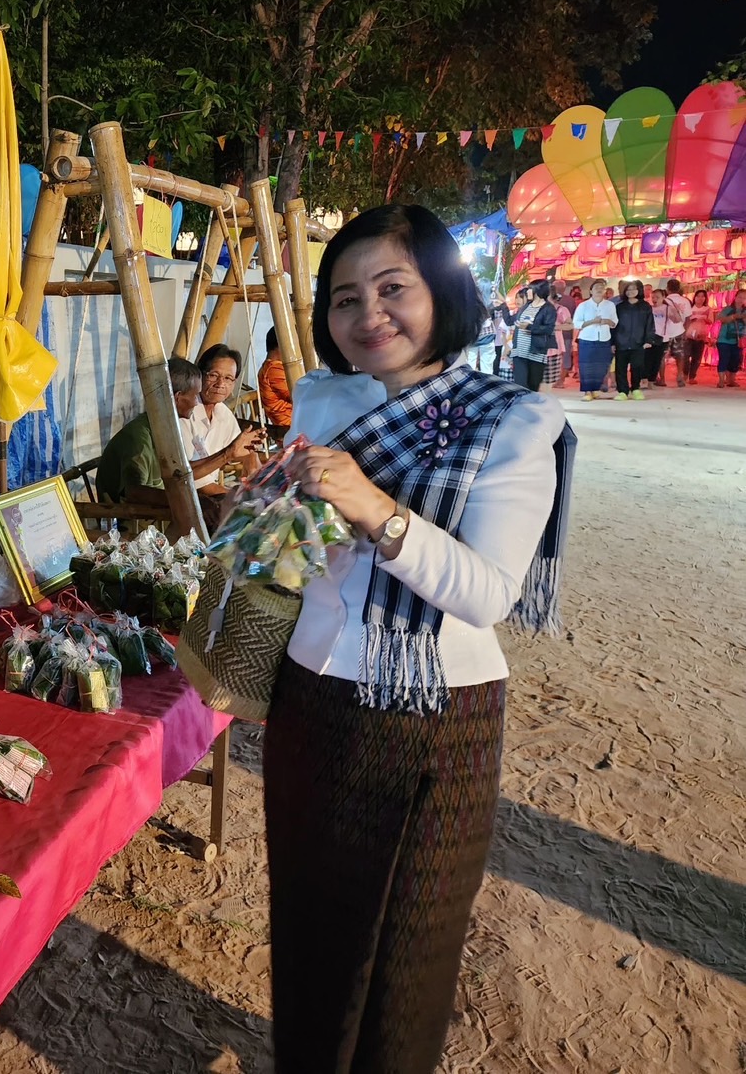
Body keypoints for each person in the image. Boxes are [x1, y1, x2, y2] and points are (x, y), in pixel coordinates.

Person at [263, 204, 574, 1073]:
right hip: (308, 697)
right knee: (311, 923)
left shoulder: (510, 423)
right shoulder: (326, 404)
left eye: (392, 288)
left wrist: (371, 507)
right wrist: (264, 518)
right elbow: (300, 556)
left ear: (442, 291)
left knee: (404, 947)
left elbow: (485, 593)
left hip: (429, 713)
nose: (368, 316)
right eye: (343, 297)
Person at [96, 357, 208, 502]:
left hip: (155, 516)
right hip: (130, 520)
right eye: (195, 395)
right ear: (177, 397)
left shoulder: (165, 429)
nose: (197, 402)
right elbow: (135, 493)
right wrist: (185, 501)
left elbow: (182, 472)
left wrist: (227, 454)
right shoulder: (138, 439)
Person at [189, 342, 260, 489]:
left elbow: (238, 449)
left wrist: (251, 457)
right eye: (214, 375)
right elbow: (188, 478)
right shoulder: (185, 411)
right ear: (200, 375)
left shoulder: (223, 413)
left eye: (228, 378)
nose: (220, 383)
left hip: (210, 492)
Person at [494, 280, 556, 392]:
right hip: (519, 351)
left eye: (530, 289)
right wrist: (504, 306)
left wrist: (529, 327)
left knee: (533, 386)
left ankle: (531, 407)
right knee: (520, 384)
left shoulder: (548, 308)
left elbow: (548, 329)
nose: (528, 291)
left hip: (536, 352)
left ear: (538, 290)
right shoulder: (526, 306)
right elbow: (509, 321)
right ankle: (522, 407)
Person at [572, 279, 618, 400]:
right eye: (596, 287)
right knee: (587, 366)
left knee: (601, 366)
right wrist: (592, 321)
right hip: (587, 339)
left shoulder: (610, 305)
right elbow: (576, 323)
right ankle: (587, 391)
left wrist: (608, 322)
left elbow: (615, 322)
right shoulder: (583, 305)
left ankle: (595, 389)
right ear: (591, 290)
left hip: (604, 338)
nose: (599, 289)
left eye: (602, 287)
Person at [612, 279, 653, 401]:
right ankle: (623, 391)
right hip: (621, 341)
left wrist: (649, 340)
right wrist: (613, 342)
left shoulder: (645, 306)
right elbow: (614, 326)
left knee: (637, 366)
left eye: (633, 289)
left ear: (639, 290)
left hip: (638, 342)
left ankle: (636, 388)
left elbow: (650, 324)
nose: (630, 292)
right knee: (621, 368)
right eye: (628, 290)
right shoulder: (619, 307)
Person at [257, 327, 294, 438]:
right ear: (282, 344)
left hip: (295, 426)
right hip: (289, 430)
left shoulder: (272, 367)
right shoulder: (273, 370)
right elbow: (299, 395)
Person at [662, 278, 691, 387]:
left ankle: (662, 379)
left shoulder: (664, 301)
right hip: (679, 330)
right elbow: (688, 319)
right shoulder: (685, 301)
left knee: (662, 355)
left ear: (667, 289)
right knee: (680, 355)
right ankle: (679, 376)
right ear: (679, 288)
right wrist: (684, 331)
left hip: (665, 332)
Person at [683, 288, 714, 384]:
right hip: (688, 335)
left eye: (702, 296)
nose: (700, 298)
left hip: (701, 335)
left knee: (697, 358)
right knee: (686, 356)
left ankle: (692, 376)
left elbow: (711, 321)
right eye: (698, 296)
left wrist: (704, 318)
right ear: (694, 297)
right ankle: (684, 374)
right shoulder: (689, 308)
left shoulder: (708, 309)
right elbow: (684, 321)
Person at [716, 288, 745, 387]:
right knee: (724, 359)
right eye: (740, 297)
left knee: (735, 360)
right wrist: (733, 317)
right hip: (724, 339)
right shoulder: (728, 309)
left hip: (738, 340)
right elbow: (721, 319)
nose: (741, 300)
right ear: (735, 297)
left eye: (744, 298)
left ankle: (731, 380)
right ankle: (721, 380)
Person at [547, 283, 572, 390]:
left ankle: (558, 383)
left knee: (551, 372)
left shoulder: (561, 309)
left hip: (554, 343)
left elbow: (570, 325)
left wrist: (555, 327)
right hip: (538, 344)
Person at [648, 287, 669, 386]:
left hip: (662, 337)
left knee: (658, 359)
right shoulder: (649, 308)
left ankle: (658, 379)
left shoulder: (667, 308)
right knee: (649, 359)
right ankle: (649, 379)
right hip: (651, 337)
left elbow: (676, 320)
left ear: (663, 297)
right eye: (653, 297)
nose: (655, 299)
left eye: (657, 297)